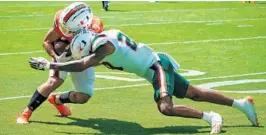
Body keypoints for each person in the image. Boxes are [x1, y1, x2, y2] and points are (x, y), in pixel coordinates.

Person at [29, 29, 259, 134]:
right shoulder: (102, 40)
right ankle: (241, 104)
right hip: (155, 66)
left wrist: (50, 65)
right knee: (193, 93)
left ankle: (211, 117)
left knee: (165, 108)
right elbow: (87, 60)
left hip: (156, 66)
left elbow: (83, 64)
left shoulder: (104, 47)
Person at [17, 2, 104, 124]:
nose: (65, 29)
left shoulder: (95, 27)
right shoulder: (62, 19)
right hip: (62, 57)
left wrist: (86, 59)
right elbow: (47, 42)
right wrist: (57, 57)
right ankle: (26, 112)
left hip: (82, 59)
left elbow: (98, 57)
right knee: (54, 81)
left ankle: (56, 100)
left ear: (83, 24)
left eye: (69, 27)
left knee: (83, 96)